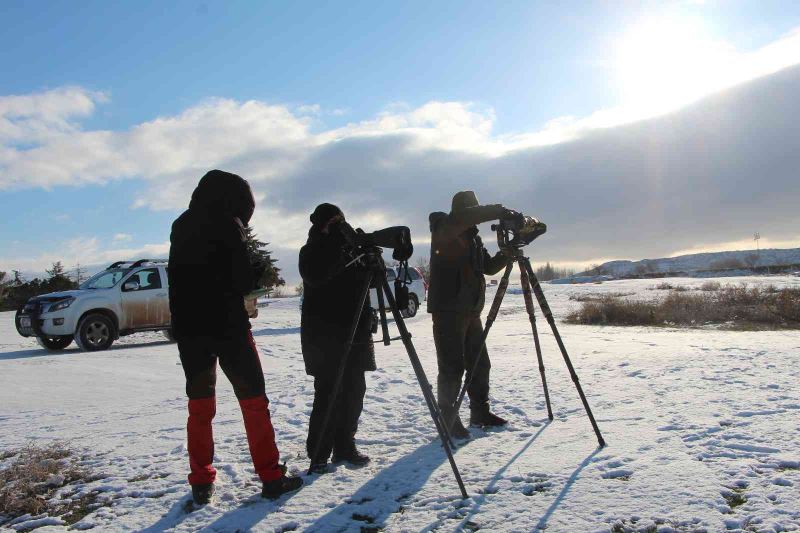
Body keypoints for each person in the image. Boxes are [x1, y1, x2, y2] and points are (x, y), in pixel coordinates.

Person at [168, 169, 302, 504]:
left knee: (199, 406)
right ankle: (271, 476)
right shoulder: (229, 224)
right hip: (229, 327)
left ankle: (200, 481)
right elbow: (242, 280)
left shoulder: (180, 225)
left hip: (190, 332)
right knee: (254, 402)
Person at [427, 191, 518, 439]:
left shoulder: (472, 238)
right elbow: (464, 217)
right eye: (473, 211)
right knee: (451, 367)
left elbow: (487, 268)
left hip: (470, 310)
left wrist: (508, 252)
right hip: (448, 311)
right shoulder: (444, 228)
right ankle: (447, 419)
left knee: (479, 364)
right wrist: (500, 210)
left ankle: (480, 412)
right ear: (464, 212)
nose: (476, 217)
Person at [299, 203, 375, 472]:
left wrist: (370, 257)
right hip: (326, 337)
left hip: (355, 331)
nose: (339, 227)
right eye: (333, 223)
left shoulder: (351, 249)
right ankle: (319, 452)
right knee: (328, 394)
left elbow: (374, 281)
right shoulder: (311, 251)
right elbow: (316, 275)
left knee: (355, 392)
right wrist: (342, 252)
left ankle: (345, 446)